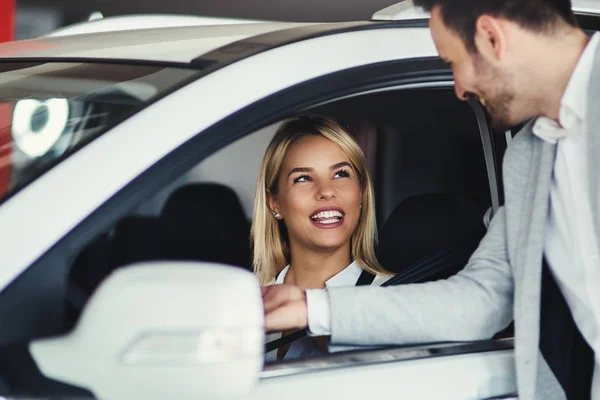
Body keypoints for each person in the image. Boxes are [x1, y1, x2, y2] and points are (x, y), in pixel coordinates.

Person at [262, 0, 599, 398]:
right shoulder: (532, 154)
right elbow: (481, 300)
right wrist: (313, 309)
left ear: (493, 37)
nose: (459, 89)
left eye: (452, 62)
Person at [252, 115, 391, 360]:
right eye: (303, 178)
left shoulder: (395, 299)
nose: (326, 191)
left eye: (341, 174)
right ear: (275, 202)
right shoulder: (243, 301)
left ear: (361, 194)